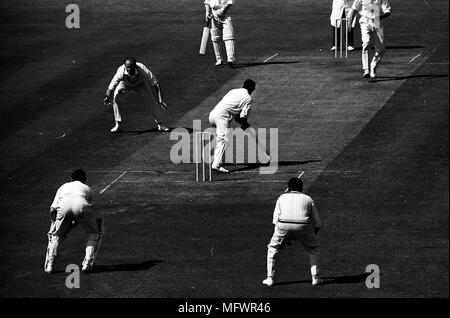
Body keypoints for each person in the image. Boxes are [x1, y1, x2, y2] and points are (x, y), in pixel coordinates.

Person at [263, 178, 323, 287]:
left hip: (283, 225)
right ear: (301, 188)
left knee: (272, 248)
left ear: (288, 188)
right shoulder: (308, 199)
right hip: (303, 225)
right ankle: (315, 278)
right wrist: (311, 236)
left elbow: (275, 220)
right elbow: (317, 224)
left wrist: (285, 237)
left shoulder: (282, 198)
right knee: (314, 249)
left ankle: (270, 278)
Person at [44, 169, 104, 274]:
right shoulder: (87, 189)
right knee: (93, 234)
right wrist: (76, 221)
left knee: (55, 236)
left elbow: (53, 209)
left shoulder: (63, 187)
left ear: (71, 179)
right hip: (81, 206)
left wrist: (55, 224)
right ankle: (87, 264)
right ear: (84, 180)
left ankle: (50, 266)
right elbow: (87, 209)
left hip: (63, 207)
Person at [103, 57, 169, 133]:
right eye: (127, 67)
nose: (129, 69)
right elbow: (111, 87)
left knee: (151, 101)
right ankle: (117, 124)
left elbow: (155, 83)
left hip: (140, 84)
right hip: (124, 84)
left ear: (135, 66)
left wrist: (160, 99)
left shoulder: (142, 69)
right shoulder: (120, 72)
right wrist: (107, 97)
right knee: (116, 98)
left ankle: (161, 125)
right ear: (125, 66)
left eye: (131, 67)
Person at [208, 79, 255, 173]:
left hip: (213, 114)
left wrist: (242, 122)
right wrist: (245, 125)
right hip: (222, 117)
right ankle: (216, 165)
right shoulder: (248, 98)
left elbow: (235, 113)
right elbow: (242, 118)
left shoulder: (233, 90)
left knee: (220, 139)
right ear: (252, 89)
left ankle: (218, 160)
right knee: (223, 140)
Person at [348, 0, 391, 78]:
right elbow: (354, 9)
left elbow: (387, 12)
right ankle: (366, 69)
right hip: (365, 21)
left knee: (381, 48)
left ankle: (373, 66)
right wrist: (350, 23)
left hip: (377, 21)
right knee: (366, 42)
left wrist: (379, 17)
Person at [204, 0, 236, 67]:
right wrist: (207, 12)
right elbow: (207, 2)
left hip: (226, 15)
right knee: (215, 37)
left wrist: (223, 10)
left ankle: (231, 59)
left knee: (229, 36)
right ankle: (219, 59)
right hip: (214, 15)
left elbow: (230, 2)